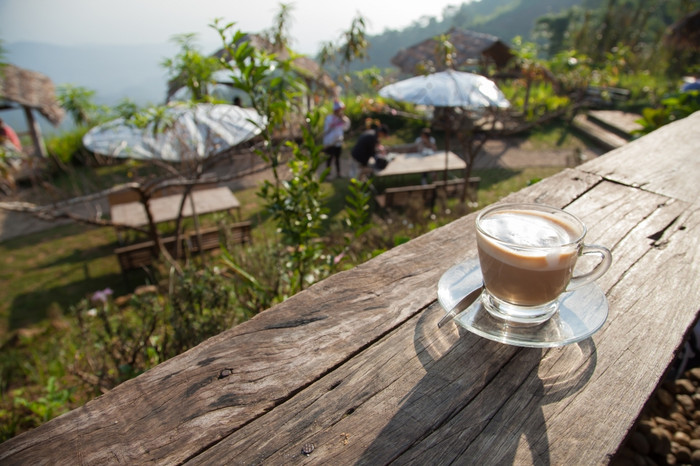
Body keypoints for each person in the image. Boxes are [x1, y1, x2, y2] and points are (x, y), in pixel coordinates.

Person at [322, 100, 351, 178]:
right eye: (338, 110)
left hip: (338, 142)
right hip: (330, 142)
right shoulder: (329, 118)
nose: (340, 111)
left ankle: (338, 173)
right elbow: (326, 130)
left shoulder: (342, 119)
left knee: (337, 158)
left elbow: (346, 127)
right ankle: (328, 174)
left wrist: (343, 119)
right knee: (329, 159)